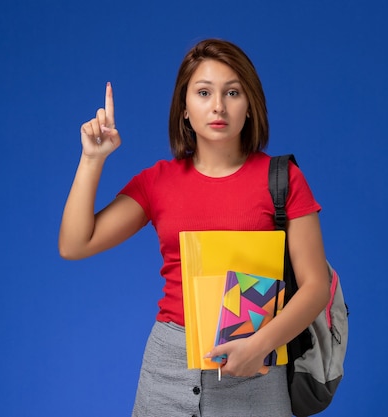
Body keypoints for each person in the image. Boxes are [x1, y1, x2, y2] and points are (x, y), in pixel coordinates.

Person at [58, 38, 330, 417]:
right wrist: (92, 159)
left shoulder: (282, 179)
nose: (218, 105)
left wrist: (259, 345)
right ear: (184, 108)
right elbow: (74, 244)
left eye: (232, 92)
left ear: (249, 105)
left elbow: (316, 286)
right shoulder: (158, 181)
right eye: (203, 92)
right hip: (167, 367)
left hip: (255, 364)